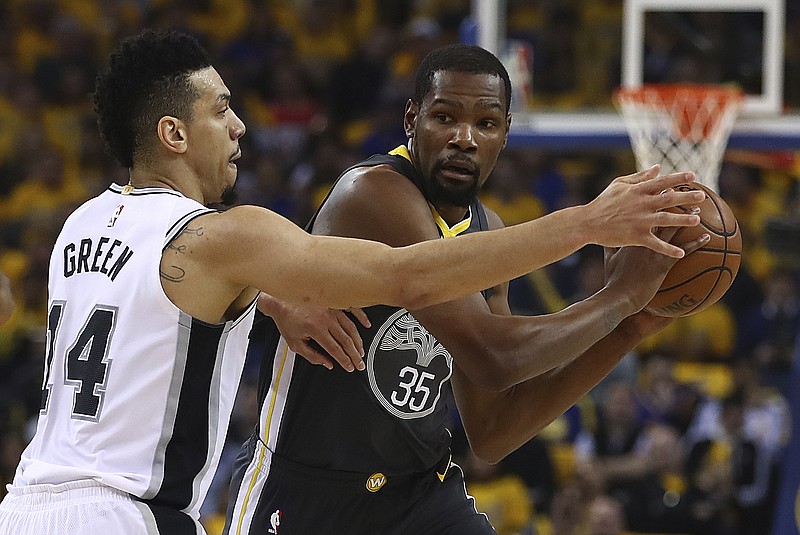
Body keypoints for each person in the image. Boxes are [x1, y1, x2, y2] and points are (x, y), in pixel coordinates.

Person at [0, 32, 704, 535]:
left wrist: (265, 297)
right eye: (220, 111)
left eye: (486, 123)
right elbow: (407, 278)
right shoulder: (271, 223)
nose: (242, 127)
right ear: (174, 134)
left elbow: (159, 291)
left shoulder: (81, 225)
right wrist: (591, 230)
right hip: (151, 509)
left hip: (31, 500)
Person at [224, 43, 710, 534]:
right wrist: (615, 292)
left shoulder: (489, 231)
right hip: (306, 495)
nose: (465, 138)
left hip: (420, 494)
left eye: (486, 123)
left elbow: (494, 430)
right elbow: (494, 355)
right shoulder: (373, 193)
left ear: (504, 136)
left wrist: (629, 328)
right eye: (444, 117)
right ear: (411, 120)